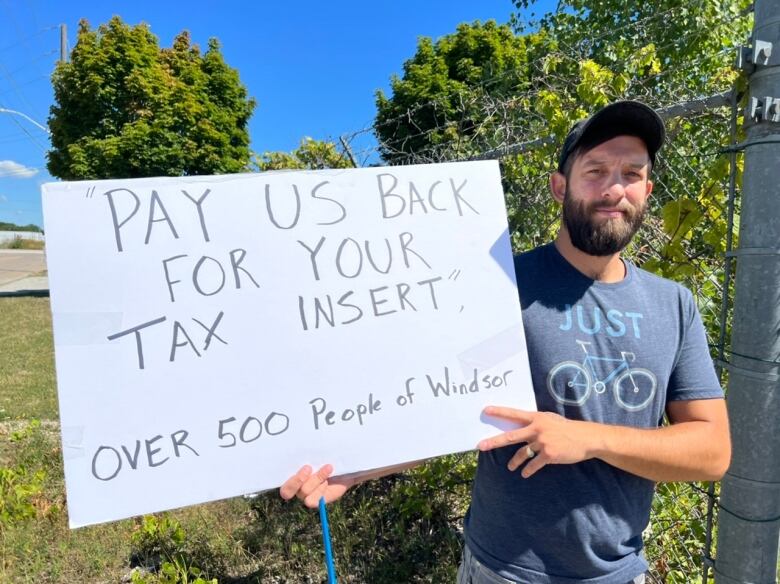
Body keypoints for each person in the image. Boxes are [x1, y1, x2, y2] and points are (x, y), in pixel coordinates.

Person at [279, 101, 731, 584]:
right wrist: (353, 466)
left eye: (631, 173)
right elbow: (439, 402)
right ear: (560, 187)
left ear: (647, 189)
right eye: (595, 170)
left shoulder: (673, 304)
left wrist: (589, 439)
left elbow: (712, 450)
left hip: (621, 572)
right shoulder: (500, 285)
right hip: (502, 570)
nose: (614, 188)